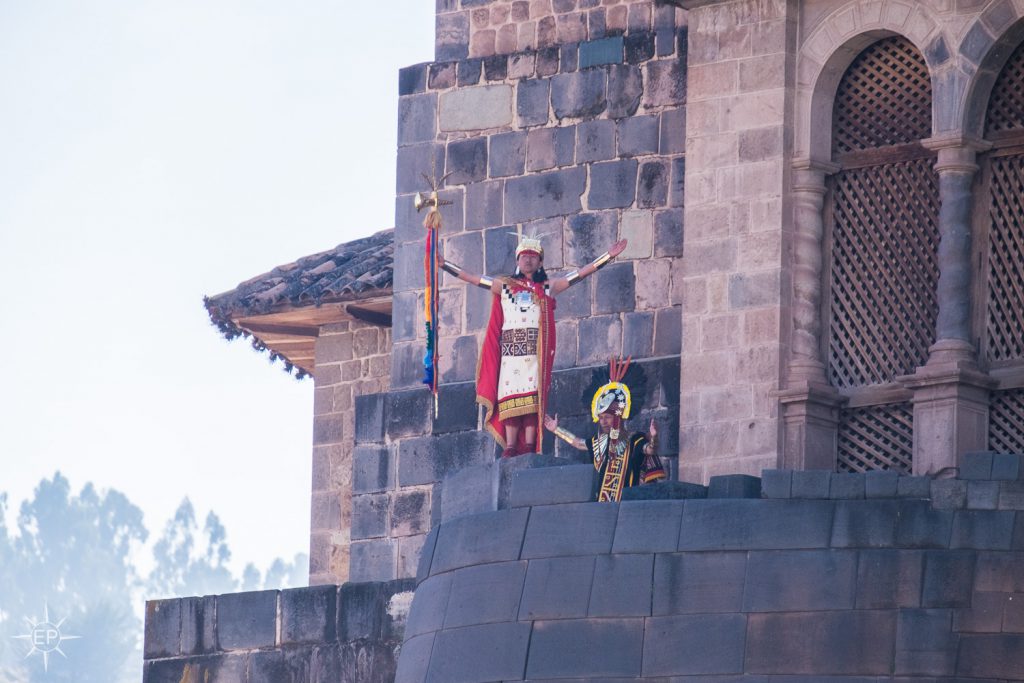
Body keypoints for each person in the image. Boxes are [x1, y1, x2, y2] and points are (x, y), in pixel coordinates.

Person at [440, 235, 626, 457]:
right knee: (509, 398)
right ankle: (510, 445)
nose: (528, 260)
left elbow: (578, 275)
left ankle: (529, 444)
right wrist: (444, 265)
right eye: (524, 256)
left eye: (533, 256)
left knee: (531, 401)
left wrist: (607, 256)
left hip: (534, 354)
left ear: (540, 262)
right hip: (510, 354)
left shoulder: (548, 287)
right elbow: (473, 278)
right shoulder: (504, 285)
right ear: (517, 260)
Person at [544, 357, 666, 501]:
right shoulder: (599, 442)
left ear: (618, 417)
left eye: (607, 417)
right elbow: (578, 443)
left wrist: (654, 437)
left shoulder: (634, 439)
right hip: (602, 505)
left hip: (626, 503)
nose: (603, 422)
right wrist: (556, 430)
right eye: (601, 418)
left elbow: (650, 449)